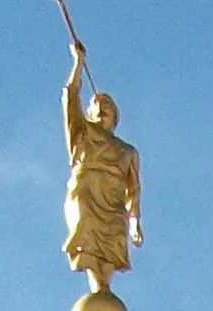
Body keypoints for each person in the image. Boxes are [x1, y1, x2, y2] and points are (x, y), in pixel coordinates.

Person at [63, 38, 141, 288]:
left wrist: (134, 222)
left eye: (108, 105)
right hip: (86, 189)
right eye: (98, 104)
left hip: (114, 203)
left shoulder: (127, 151)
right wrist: (79, 63)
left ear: (116, 117)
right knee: (85, 222)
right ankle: (97, 286)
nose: (103, 106)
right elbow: (70, 98)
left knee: (112, 242)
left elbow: (134, 190)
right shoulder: (82, 133)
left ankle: (102, 287)